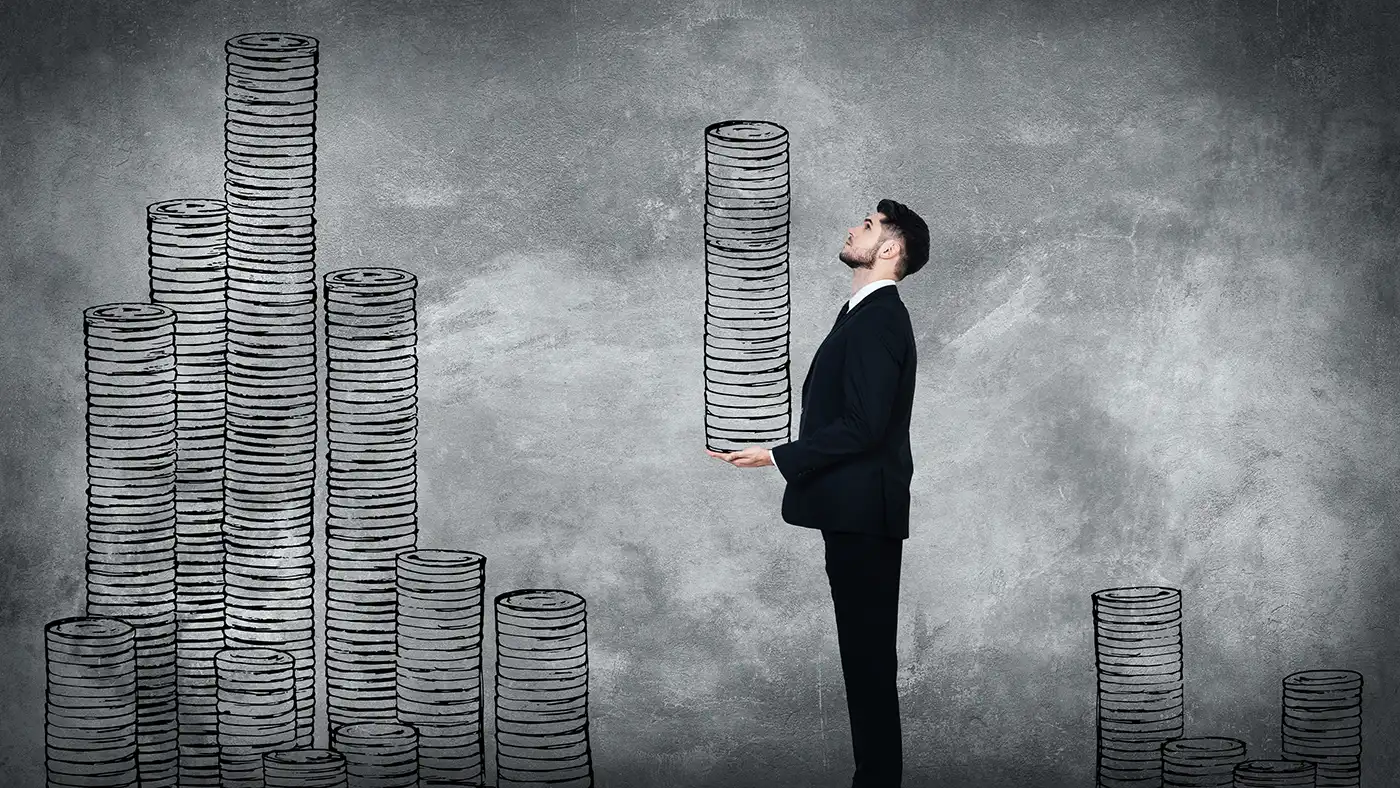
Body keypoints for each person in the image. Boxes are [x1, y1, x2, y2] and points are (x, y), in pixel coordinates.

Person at [707, 198, 928, 788]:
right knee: (864, 660)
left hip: (863, 515)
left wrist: (777, 455)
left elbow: (865, 425)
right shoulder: (861, 314)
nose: (854, 227)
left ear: (887, 249)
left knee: (868, 661)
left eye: (868, 224)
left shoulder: (879, 318)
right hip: (853, 513)